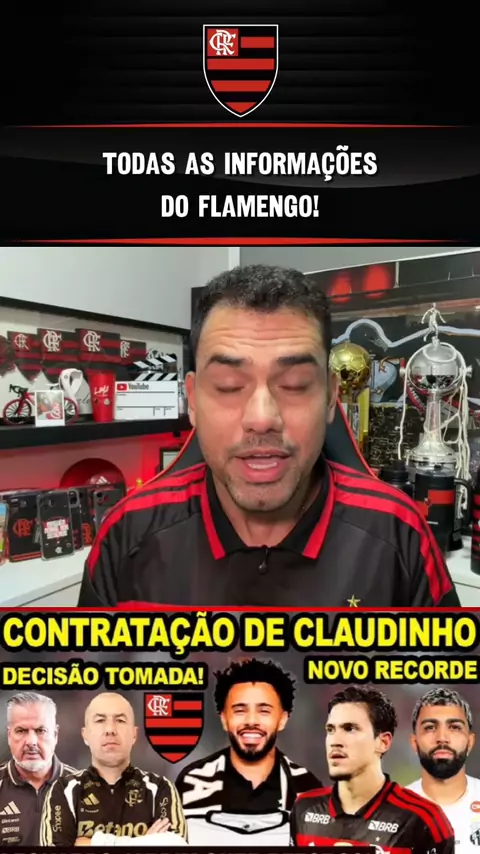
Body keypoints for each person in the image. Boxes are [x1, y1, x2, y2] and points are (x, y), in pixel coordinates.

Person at [77, 263, 459, 608]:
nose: (261, 419)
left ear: (331, 397)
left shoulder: (400, 536)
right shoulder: (127, 534)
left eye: (294, 384)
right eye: (228, 386)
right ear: (192, 400)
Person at [290, 685, 455, 853]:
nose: (335, 741)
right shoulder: (304, 808)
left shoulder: (423, 820)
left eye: (350, 729)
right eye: (330, 730)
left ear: (383, 742)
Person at [174, 658, 320, 844]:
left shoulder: (306, 788)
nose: (251, 721)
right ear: (224, 719)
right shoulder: (191, 782)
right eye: (240, 710)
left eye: (264, 711)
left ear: (282, 719)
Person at [39, 692, 187, 846]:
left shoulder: (160, 789)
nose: (110, 729)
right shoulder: (64, 791)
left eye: (120, 720)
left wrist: (94, 843)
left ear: (134, 734)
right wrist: (144, 843)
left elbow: (174, 846)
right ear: (85, 735)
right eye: (100, 720)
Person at [407, 687, 480, 849]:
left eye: (454, 727)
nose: (442, 738)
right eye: (430, 727)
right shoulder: (391, 812)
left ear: (470, 742)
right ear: (414, 742)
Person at [0, 691, 77, 846]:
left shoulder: (82, 788)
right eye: (21, 731)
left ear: (55, 735)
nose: (31, 741)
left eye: (41, 731)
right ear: (9, 735)